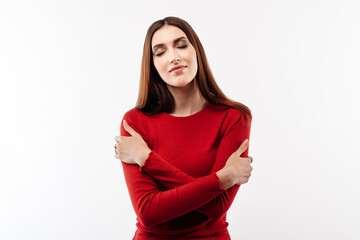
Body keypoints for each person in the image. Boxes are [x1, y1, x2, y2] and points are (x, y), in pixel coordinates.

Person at [114, 16, 253, 240]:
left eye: (181, 45)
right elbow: (148, 212)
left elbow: (217, 207)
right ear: (153, 64)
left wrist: (146, 158)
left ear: (196, 50)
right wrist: (222, 178)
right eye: (160, 52)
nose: (173, 57)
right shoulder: (135, 122)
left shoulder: (234, 117)